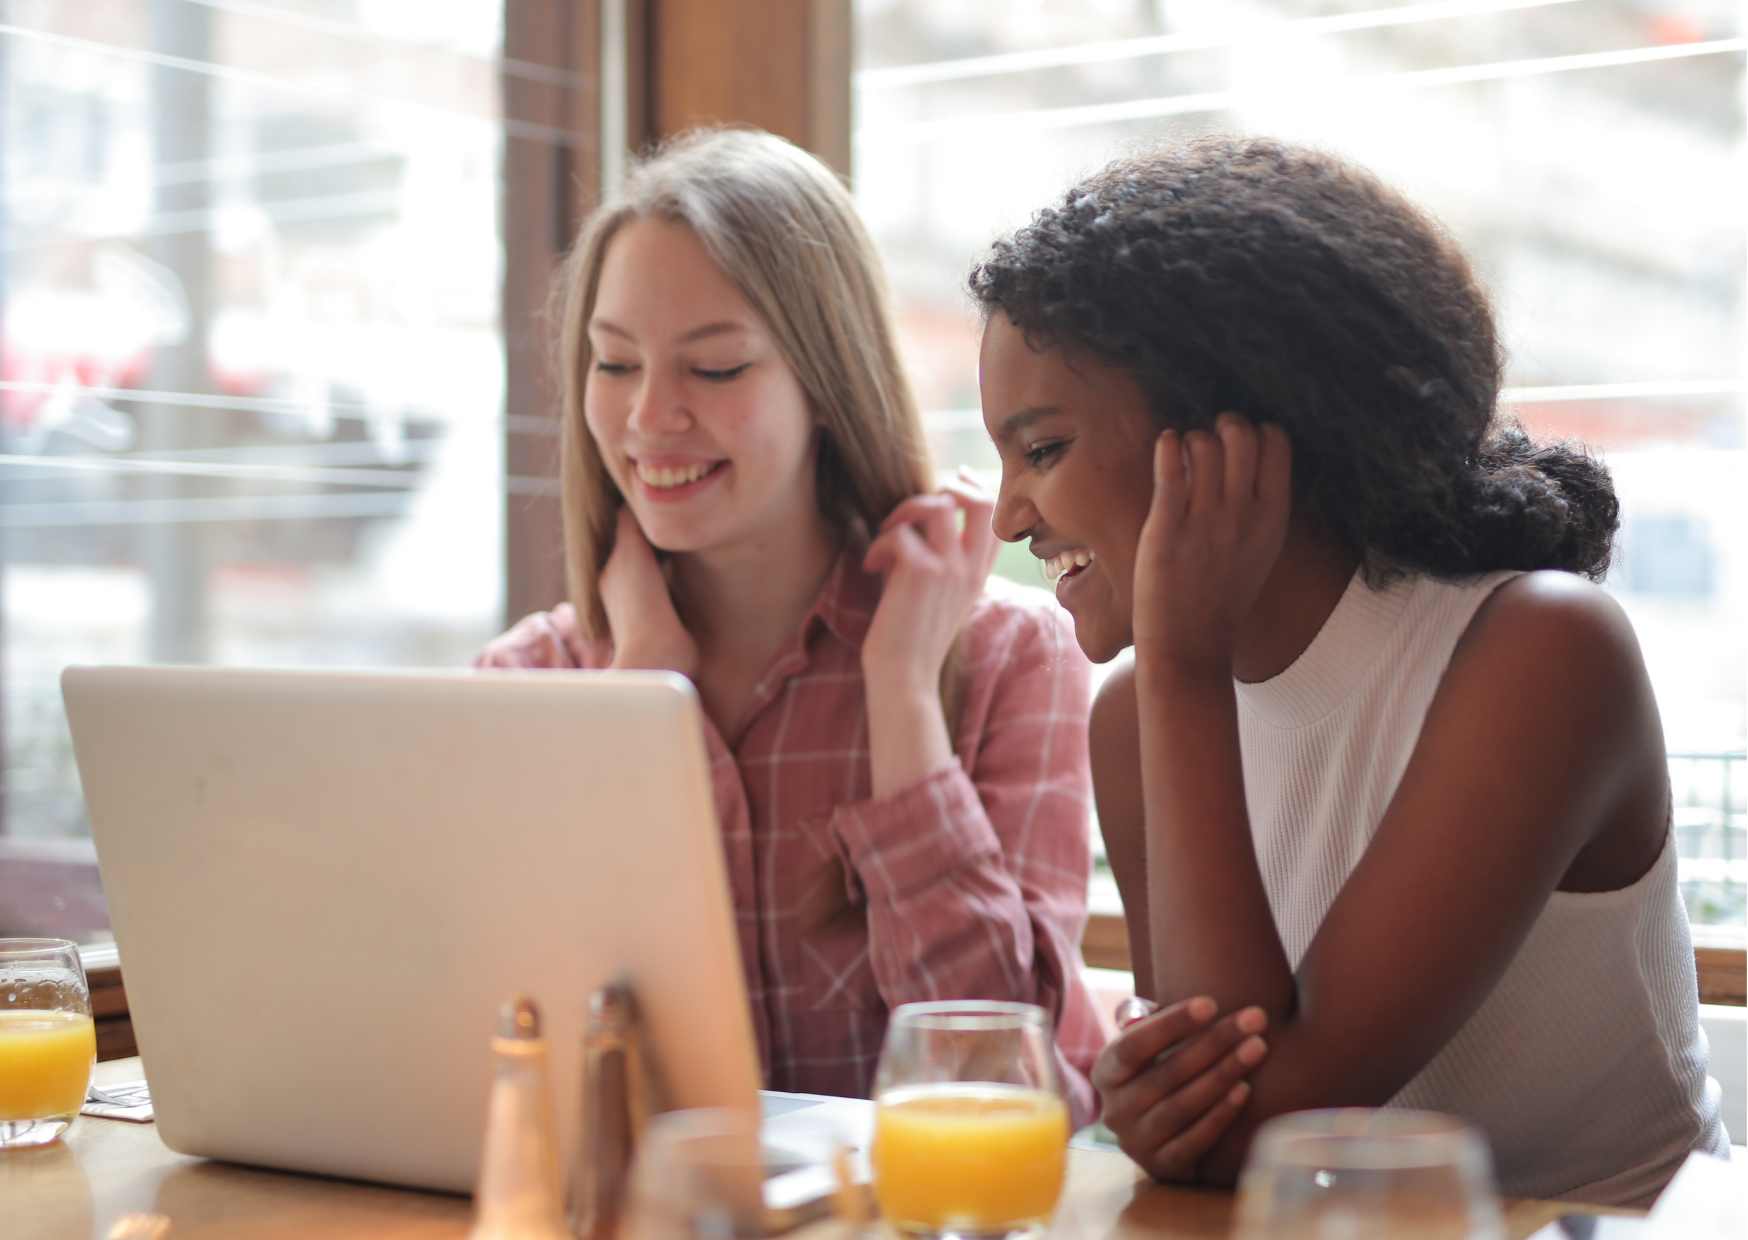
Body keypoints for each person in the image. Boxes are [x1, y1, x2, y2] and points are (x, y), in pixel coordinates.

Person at [969, 135, 1727, 1205]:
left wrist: (1182, 663)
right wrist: (1149, 1108)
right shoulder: (1133, 718)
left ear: (1229, 441)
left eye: (1040, 451)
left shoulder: (1540, 654)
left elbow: (1269, 1128)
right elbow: (1216, 1116)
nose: (1009, 516)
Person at [475, 128, 1104, 1125]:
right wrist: (638, 694)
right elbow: (519, 1079)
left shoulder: (1004, 658)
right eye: (612, 363)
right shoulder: (530, 682)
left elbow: (1001, 1083)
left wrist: (898, 690)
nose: (648, 418)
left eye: (715, 369)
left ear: (826, 380)